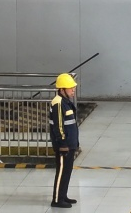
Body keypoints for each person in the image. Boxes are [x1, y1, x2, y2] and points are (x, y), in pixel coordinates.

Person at [48, 73, 79, 208]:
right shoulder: (58, 103)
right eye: (70, 88)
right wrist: (63, 144)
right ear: (62, 90)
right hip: (63, 145)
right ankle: (57, 200)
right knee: (61, 172)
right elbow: (59, 126)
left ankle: (63, 196)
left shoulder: (66, 102)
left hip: (70, 144)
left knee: (67, 171)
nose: (73, 90)